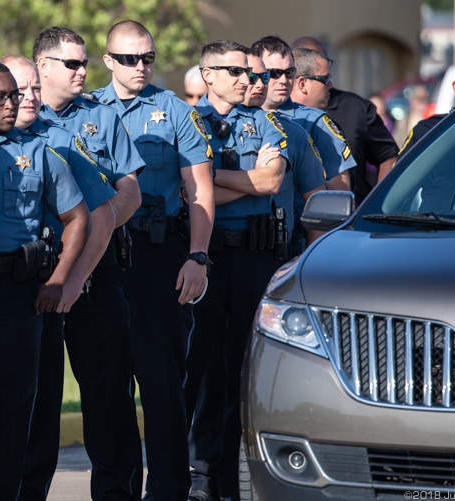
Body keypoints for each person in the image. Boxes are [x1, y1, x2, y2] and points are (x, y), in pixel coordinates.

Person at [0, 60, 89, 500]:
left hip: (17, 293)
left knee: (7, 415)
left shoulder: (38, 148)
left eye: (16, 95)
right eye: (1, 97)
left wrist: (60, 279)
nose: (14, 104)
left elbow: (77, 217)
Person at [0, 52, 141, 501]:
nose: (28, 98)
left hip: (85, 280)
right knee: (29, 403)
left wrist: (76, 277)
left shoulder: (61, 140)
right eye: (19, 91)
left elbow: (103, 212)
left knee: (108, 398)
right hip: (18, 289)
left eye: (32, 91)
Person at [92, 20, 215, 501]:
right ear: (108, 61)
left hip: (158, 252)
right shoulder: (85, 111)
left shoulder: (173, 111)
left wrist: (197, 256)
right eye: (128, 59)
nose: (140, 67)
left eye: (147, 58)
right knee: (107, 384)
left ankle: (167, 490)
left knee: (162, 384)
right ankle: (114, 490)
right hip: (100, 259)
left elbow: (200, 189)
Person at [182, 40, 296, 501]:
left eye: (250, 73)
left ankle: (232, 485)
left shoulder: (265, 122)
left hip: (253, 258)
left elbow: (272, 182)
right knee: (202, 370)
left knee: (244, 372)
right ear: (208, 74)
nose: (249, 81)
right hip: (208, 254)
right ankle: (201, 480)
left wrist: (207, 177)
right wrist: (238, 184)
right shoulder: (187, 122)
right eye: (237, 72)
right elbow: (183, 180)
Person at [291, 36, 399, 202]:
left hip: (349, 215)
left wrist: (377, 204)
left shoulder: (356, 107)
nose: (330, 84)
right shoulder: (276, 114)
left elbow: (388, 156)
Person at [251, 37, 355, 194]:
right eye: (274, 73)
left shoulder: (315, 122)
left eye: (289, 72)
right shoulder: (234, 118)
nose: (284, 80)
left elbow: (340, 196)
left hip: (298, 217)